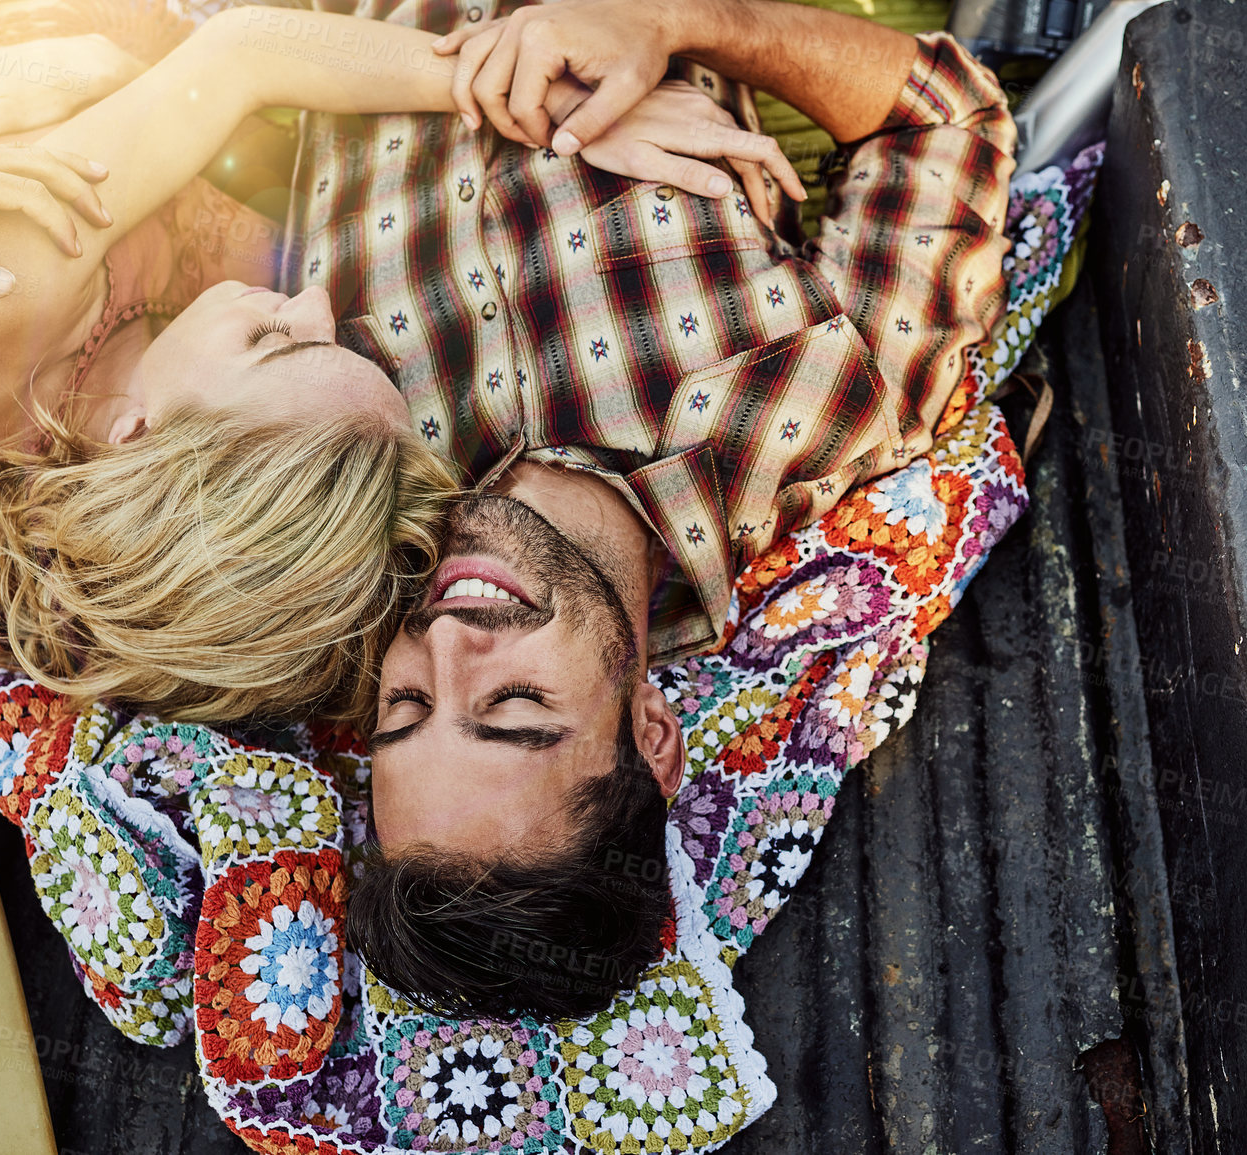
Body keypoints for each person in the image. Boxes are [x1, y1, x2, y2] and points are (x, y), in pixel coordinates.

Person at [292, 0, 1019, 1019]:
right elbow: (947, 121)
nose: (446, 645)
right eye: (513, 706)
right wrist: (673, 24)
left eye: (405, 710)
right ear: (653, 732)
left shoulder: (326, 496)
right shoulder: (824, 407)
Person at [0, 2, 797, 726]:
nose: (310, 300)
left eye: (275, 341)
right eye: (323, 338)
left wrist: (552, 111)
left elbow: (242, 60)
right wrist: (563, 107)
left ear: (141, 437)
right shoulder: (136, 381)